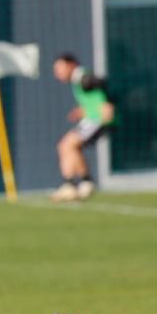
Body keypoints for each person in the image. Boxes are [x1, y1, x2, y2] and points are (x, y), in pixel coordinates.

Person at [51, 53, 115, 202]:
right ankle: (85, 182)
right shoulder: (77, 80)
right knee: (70, 147)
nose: (58, 74)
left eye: (60, 68)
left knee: (67, 145)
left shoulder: (82, 77)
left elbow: (101, 83)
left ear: (71, 65)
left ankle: (72, 184)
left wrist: (109, 104)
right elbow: (96, 95)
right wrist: (82, 110)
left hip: (97, 120)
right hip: (91, 119)